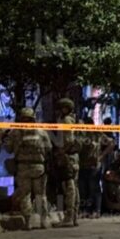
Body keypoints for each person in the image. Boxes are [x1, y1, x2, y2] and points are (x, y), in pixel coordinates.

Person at [5, 108, 52, 230]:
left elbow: (8, 149)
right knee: (40, 195)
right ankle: (43, 221)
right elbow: (49, 148)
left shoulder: (15, 132)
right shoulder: (41, 131)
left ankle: (28, 222)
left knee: (25, 194)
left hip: (23, 167)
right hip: (39, 167)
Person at [52, 98, 80, 228]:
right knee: (74, 187)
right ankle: (74, 217)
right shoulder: (73, 119)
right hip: (73, 157)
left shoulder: (66, 120)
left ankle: (69, 217)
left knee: (69, 188)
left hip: (68, 157)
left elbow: (68, 140)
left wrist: (61, 152)